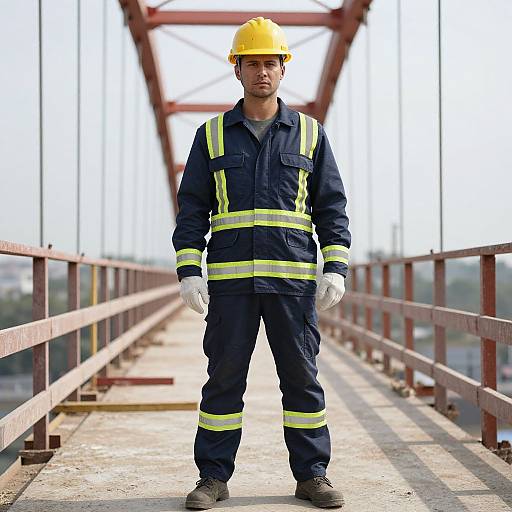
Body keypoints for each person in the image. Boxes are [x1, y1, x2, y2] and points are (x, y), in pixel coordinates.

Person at [172, 16, 351, 510]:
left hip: (292, 285)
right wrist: (189, 270)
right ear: (238, 70)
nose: (262, 73)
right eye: (253, 63)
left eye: (270, 63)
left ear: (282, 68)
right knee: (224, 383)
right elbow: (192, 211)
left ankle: (312, 475)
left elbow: (331, 206)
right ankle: (212, 478)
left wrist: (336, 266)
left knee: (302, 381)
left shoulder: (311, 135)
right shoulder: (211, 137)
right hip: (231, 287)